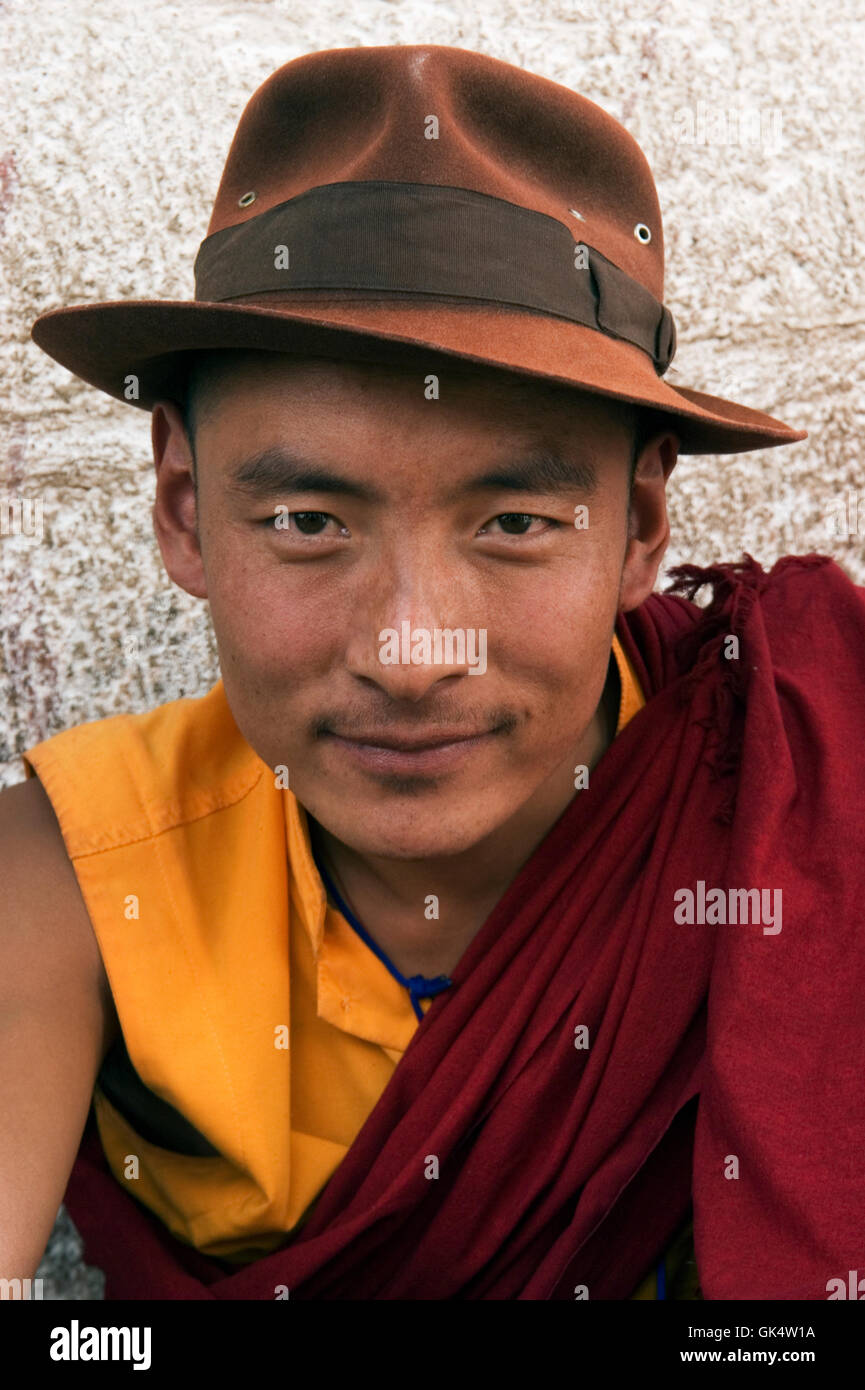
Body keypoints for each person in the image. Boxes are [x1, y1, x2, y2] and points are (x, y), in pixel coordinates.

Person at [2, 43, 862, 1301]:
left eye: (514, 522)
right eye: (307, 520)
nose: (410, 653)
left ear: (640, 524)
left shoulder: (805, 800)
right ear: (184, 509)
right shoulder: (74, 879)